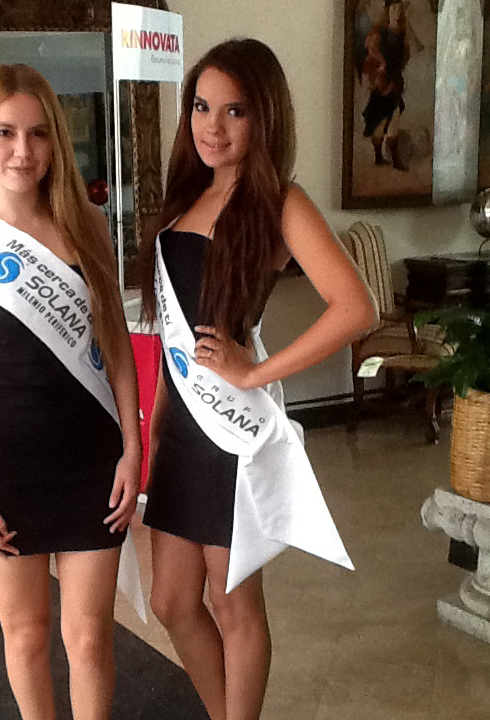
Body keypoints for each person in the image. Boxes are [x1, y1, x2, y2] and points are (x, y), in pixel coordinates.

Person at [139, 39, 377, 720]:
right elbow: (173, 332)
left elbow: (357, 307)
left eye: (235, 111)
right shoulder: (184, 196)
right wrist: (155, 428)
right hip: (181, 425)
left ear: (264, 115)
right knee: (171, 601)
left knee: (231, 601)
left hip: (230, 429)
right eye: (201, 107)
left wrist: (256, 370)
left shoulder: (278, 202)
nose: (213, 126)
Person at [0, 64, 141, 720]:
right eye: (5, 132)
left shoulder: (87, 224)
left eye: (39, 133)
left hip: (92, 456)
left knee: (91, 637)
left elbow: (117, 343)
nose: (23, 150)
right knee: (26, 634)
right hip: (6, 459)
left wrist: (133, 448)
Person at [361, 0, 412, 170]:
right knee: (381, 120)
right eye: (393, 8)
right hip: (382, 81)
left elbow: (404, 54)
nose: (396, 11)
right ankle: (379, 156)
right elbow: (372, 52)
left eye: (398, 8)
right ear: (388, 10)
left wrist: (397, 68)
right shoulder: (380, 31)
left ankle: (394, 158)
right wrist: (380, 67)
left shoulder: (402, 33)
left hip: (394, 80)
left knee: (394, 115)